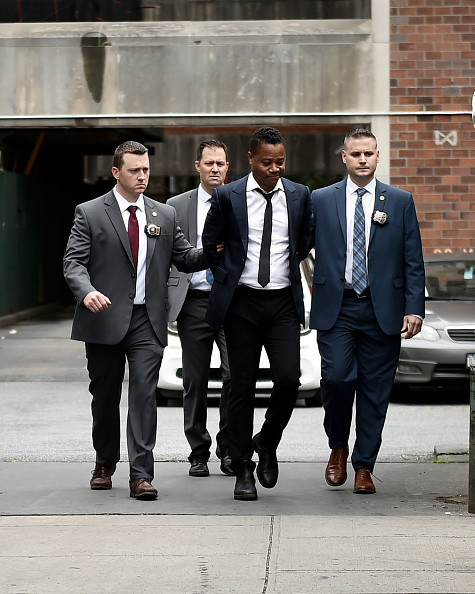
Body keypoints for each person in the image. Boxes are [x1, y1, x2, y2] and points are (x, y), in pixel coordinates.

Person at [63, 141, 208, 500]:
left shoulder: (164, 215)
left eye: (146, 169)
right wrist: (86, 291)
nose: (142, 176)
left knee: (144, 395)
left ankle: (141, 474)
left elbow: (185, 258)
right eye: (134, 170)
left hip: (148, 319)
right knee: (105, 396)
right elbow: (73, 262)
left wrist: (215, 249)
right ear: (116, 172)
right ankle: (104, 462)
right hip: (104, 317)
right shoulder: (90, 213)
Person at [310, 128, 425, 494]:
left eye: (368, 153)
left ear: (378, 157)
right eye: (356, 154)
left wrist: (414, 308)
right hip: (337, 306)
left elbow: (413, 259)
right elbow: (296, 244)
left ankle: (364, 466)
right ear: (344, 157)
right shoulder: (321, 199)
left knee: (375, 392)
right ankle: (338, 446)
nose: (362, 159)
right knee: (337, 379)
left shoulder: (400, 201)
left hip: (383, 309)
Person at [202, 126, 314, 500]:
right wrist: (225, 277)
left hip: (282, 303)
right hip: (242, 304)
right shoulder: (228, 196)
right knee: (241, 387)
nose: (274, 168)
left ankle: (267, 440)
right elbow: (209, 243)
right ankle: (242, 468)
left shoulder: (299, 195)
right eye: (267, 162)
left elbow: (304, 242)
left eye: (280, 161)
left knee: (289, 380)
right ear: (251, 158)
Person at [167, 140, 233, 478]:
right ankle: (198, 452)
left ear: (227, 166)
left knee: (234, 376)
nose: (215, 169)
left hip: (231, 302)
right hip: (193, 303)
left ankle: (229, 449)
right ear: (198, 166)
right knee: (195, 381)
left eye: (220, 163)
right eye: (209, 163)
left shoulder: (239, 200)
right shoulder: (175, 206)